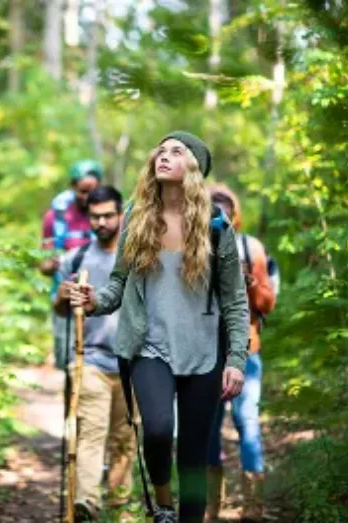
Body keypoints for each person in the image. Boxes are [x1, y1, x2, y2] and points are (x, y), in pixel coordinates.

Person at [70, 131, 250, 523]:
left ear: (194, 167)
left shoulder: (216, 228)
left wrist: (235, 359)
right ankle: (163, 502)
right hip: (149, 347)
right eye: (161, 150)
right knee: (157, 429)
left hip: (203, 352)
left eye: (177, 151)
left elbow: (236, 301)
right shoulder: (136, 217)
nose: (164, 155)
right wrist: (95, 300)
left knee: (193, 454)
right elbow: (117, 283)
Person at [53, 186, 136, 521]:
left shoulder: (136, 258)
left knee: (124, 440)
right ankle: (87, 502)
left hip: (132, 363)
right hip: (89, 361)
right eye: (95, 216)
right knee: (90, 434)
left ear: (120, 216)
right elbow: (60, 310)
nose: (101, 222)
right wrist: (62, 296)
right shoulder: (77, 258)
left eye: (108, 215)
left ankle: (119, 507)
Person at [205, 185, 277, 523]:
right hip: (205, 355)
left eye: (225, 208)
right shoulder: (194, 246)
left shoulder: (251, 247)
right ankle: (209, 508)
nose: (220, 213)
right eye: (212, 207)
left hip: (247, 351)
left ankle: (253, 507)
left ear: (235, 213)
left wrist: (250, 282)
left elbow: (267, 304)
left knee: (247, 423)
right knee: (208, 429)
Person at [41, 160, 102, 370]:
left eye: (93, 191)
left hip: (100, 300)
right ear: (73, 187)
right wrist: (56, 263)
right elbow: (44, 264)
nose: (87, 197)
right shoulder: (55, 218)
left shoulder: (109, 218)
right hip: (65, 302)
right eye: (83, 191)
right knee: (69, 366)